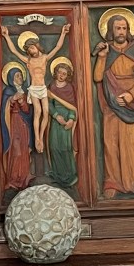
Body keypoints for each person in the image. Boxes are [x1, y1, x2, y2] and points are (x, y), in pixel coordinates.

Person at [92, 12, 134, 198]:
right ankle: (113, 182)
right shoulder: (107, 50)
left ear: (128, 30)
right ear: (111, 30)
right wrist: (102, 57)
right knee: (112, 142)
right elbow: (98, 77)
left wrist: (131, 95)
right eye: (117, 28)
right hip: (113, 102)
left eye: (124, 28)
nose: (121, 31)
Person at [0, 23, 71, 154]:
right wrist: (6, 36)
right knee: (37, 112)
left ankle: (41, 137)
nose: (31, 51)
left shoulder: (44, 58)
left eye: (32, 48)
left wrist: (63, 33)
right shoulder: (29, 61)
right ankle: (37, 138)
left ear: (37, 46)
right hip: (33, 89)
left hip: (42, 88)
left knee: (46, 112)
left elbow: (57, 47)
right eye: (29, 50)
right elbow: (14, 51)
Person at [0, 65, 34, 195]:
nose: (20, 78)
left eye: (21, 75)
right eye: (17, 76)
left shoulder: (24, 91)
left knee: (24, 151)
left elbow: (27, 111)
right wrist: (12, 99)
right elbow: (4, 109)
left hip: (24, 124)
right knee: (16, 151)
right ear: (11, 78)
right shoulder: (8, 91)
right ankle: (13, 179)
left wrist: (22, 102)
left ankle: (23, 178)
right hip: (13, 124)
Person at [47, 59, 78, 190]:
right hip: (56, 120)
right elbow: (48, 104)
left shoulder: (69, 88)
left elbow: (72, 105)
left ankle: (69, 177)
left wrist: (71, 119)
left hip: (66, 118)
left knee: (66, 148)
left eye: (64, 74)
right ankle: (58, 175)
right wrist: (55, 115)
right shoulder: (52, 86)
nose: (61, 75)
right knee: (54, 147)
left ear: (67, 75)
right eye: (59, 72)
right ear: (56, 73)